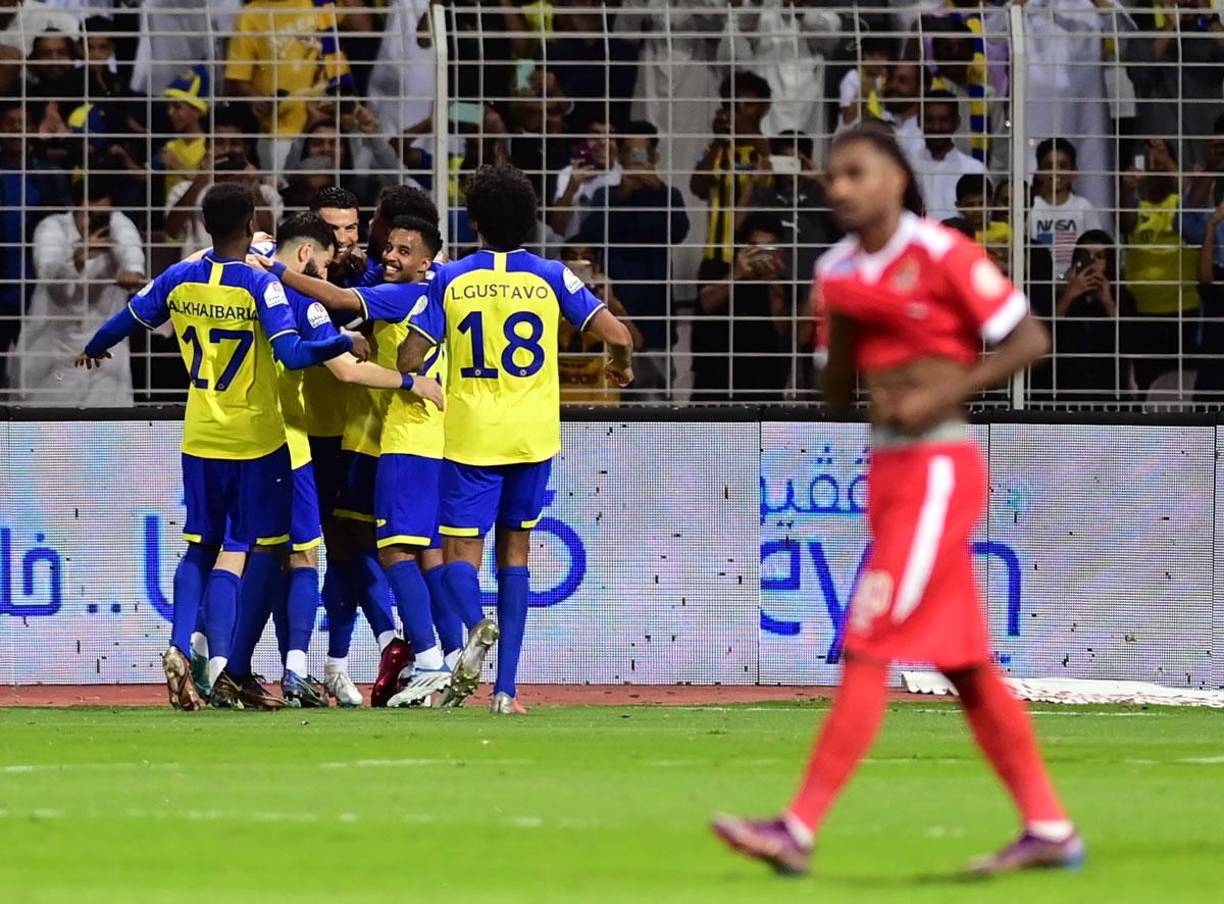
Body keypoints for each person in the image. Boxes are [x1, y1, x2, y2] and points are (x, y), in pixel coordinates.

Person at [712, 128, 1079, 879]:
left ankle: (797, 827)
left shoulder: (942, 253)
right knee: (970, 668)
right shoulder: (835, 270)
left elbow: (1027, 338)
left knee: (867, 641)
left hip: (941, 464)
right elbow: (834, 396)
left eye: (856, 172)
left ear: (897, 179)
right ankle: (1048, 827)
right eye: (831, 177)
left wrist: (943, 389)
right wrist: (843, 328)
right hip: (887, 471)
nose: (839, 188)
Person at [74, 182, 364, 711]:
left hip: (201, 434)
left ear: (204, 224)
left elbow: (128, 319)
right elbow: (296, 356)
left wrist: (94, 347)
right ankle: (236, 667)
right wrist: (342, 341)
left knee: (201, 547)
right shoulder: (260, 284)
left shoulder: (180, 276)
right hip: (258, 439)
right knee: (268, 550)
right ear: (251, 220)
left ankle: (179, 645)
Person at [399, 163, 634, 714]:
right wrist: (617, 366)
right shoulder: (552, 275)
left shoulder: (449, 277)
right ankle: (506, 692)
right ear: (531, 219)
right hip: (532, 437)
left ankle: (478, 626)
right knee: (516, 551)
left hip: (471, 433)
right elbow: (618, 334)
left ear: (473, 219)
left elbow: (410, 355)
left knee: (458, 552)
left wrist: (421, 370)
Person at [236, 212, 443, 707]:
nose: (345, 241)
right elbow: (344, 356)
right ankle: (332, 660)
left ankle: (342, 660)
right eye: (336, 234)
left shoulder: (367, 277)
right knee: (312, 553)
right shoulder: (315, 290)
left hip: (348, 437)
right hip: (314, 438)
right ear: (311, 245)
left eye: (351, 230)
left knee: (340, 554)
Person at [580, 121, 688, 398]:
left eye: (643, 154)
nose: (636, 160)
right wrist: (624, 193)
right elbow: (589, 235)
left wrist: (659, 189)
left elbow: (679, 231)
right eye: (631, 153)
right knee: (612, 397)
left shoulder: (668, 195)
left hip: (656, 312)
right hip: (615, 309)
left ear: (655, 157)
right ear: (620, 156)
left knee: (657, 402)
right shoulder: (606, 195)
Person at [18, 174, 145, 405]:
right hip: (54, 343)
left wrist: (133, 271)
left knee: (108, 426)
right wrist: (78, 256)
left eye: (102, 213)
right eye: (89, 213)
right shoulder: (52, 227)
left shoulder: (118, 224)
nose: (95, 219)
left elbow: (132, 253)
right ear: (75, 207)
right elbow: (46, 273)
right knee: (46, 428)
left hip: (104, 347)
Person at [1120, 138, 1199, 391]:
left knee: (1183, 382)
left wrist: (1166, 162)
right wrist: (1126, 188)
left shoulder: (1180, 202)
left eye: (1160, 155)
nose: (1154, 161)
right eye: (1150, 157)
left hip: (1182, 311)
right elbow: (1124, 223)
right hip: (1143, 314)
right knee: (1147, 382)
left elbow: (1191, 203)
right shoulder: (1137, 204)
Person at [693, 212, 798, 402]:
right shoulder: (718, 269)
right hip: (715, 383)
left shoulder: (783, 284)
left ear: (779, 252)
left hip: (763, 384)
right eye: (754, 247)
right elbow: (706, 302)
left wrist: (771, 280)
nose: (760, 254)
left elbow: (782, 326)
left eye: (768, 248)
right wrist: (737, 274)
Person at [691, 70, 772, 265]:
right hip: (716, 255)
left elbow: (777, 174)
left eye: (748, 105)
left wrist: (746, 129)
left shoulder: (768, 148)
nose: (740, 111)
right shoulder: (716, 151)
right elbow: (698, 188)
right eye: (733, 105)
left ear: (764, 108)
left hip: (757, 257)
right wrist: (719, 140)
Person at [1050, 229, 1133, 401]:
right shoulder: (1059, 296)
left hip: (1109, 394)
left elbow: (1129, 344)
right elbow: (1046, 338)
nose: (1092, 262)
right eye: (1085, 256)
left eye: (1099, 256)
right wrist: (1069, 296)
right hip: (1066, 393)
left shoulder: (1123, 297)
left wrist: (1108, 303)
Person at [557, 243, 644, 404]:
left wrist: (609, 302)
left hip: (600, 403)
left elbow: (636, 342)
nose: (579, 262)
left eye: (586, 258)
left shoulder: (606, 296)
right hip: (559, 403)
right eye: (573, 257)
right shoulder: (551, 295)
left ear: (596, 266)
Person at [1028, 138, 1107, 278]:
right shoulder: (1030, 208)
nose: (1056, 172)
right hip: (1039, 283)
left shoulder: (1084, 207)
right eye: (1049, 166)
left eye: (1063, 166)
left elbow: (1097, 248)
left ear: (1073, 172)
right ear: (1039, 173)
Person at [911, 90, 985, 223]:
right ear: (919, 122)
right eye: (929, 120)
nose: (936, 127)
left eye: (944, 120)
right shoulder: (907, 166)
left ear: (957, 123)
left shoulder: (974, 169)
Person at [548, 119, 620, 241]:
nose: (603, 142)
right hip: (570, 252)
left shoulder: (624, 175)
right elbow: (556, 230)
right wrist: (572, 187)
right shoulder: (567, 173)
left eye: (611, 136)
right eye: (595, 135)